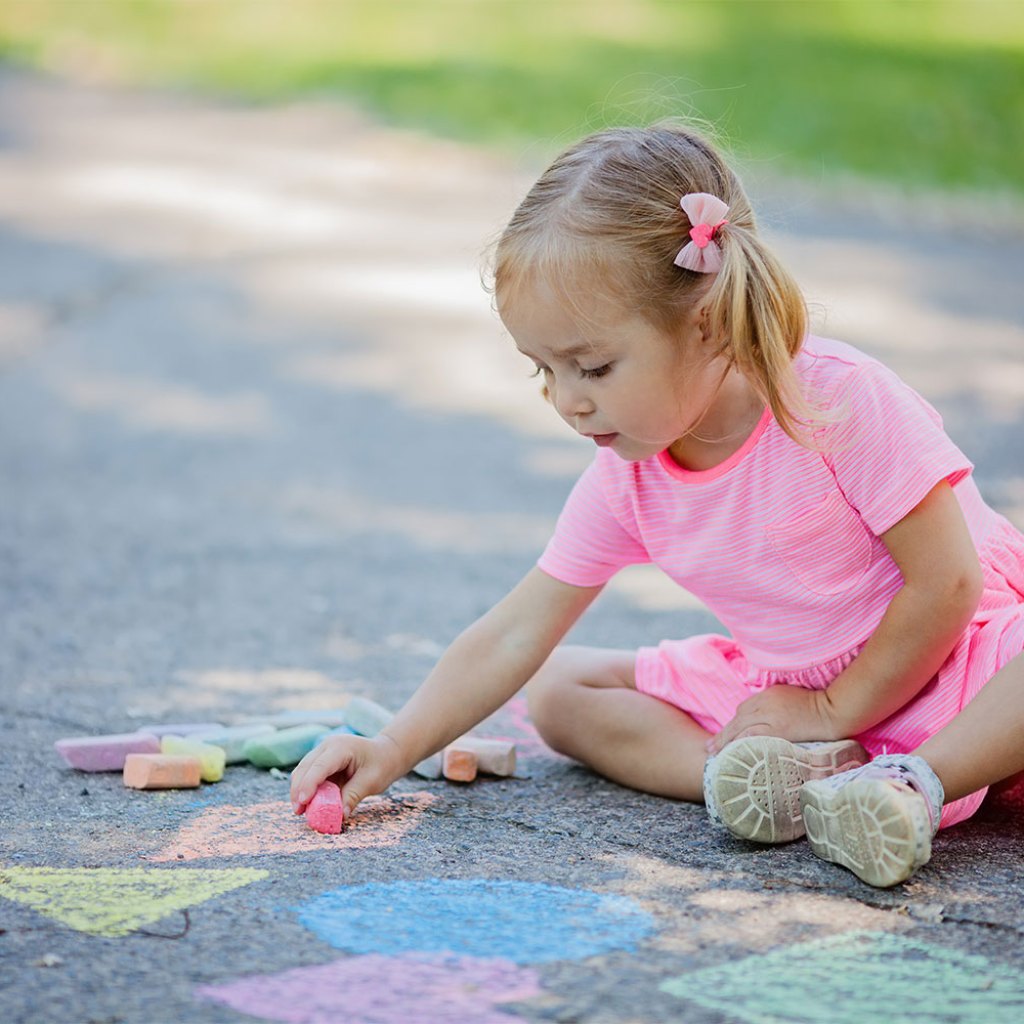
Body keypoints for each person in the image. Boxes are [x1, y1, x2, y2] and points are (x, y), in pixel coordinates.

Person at [289, 123, 1024, 888]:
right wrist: (394, 746)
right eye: (542, 370)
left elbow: (949, 584)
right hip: (793, 699)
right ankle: (778, 784)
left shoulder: (835, 402)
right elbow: (517, 631)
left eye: (594, 366)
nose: (568, 402)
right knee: (562, 689)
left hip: (957, 668)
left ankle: (911, 787)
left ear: (704, 320)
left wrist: (835, 707)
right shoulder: (628, 473)